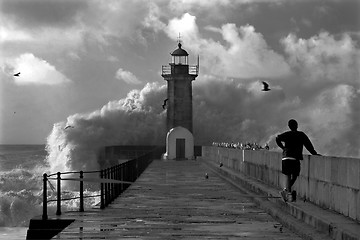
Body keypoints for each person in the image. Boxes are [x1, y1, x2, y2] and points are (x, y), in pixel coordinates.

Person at [276, 119, 320, 202]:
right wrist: (314, 153)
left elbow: (277, 138)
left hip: (285, 157)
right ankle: (287, 191)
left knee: (288, 175)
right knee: (295, 175)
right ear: (297, 125)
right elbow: (308, 145)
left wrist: (283, 148)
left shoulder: (287, 134)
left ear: (289, 126)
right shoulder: (301, 135)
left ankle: (287, 192)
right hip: (294, 158)